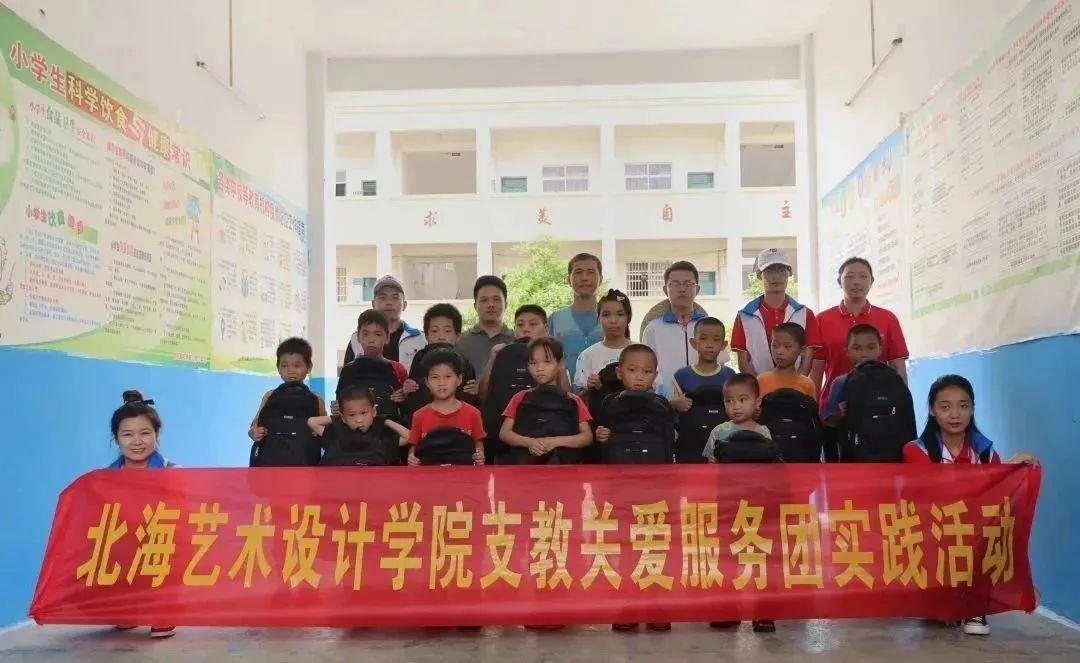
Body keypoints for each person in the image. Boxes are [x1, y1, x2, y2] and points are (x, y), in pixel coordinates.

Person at [903, 374, 1037, 637]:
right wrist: (994, 476)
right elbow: (937, 491)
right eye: (945, 406)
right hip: (932, 529)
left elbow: (999, 492)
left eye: (963, 406)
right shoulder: (915, 450)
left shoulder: (985, 451)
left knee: (994, 525)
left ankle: (975, 605)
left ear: (972, 409)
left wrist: (1015, 470)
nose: (955, 414)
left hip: (973, 531)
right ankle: (944, 599)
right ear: (932, 410)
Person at [107, 390, 177, 639]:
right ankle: (126, 606)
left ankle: (163, 609)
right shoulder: (105, 479)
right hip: (124, 546)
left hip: (160, 546)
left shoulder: (173, 472)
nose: (137, 441)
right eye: (128, 434)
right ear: (116, 438)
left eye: (145, 433)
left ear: (156, 435)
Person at [817, 257, 909, 415]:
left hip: (879, 405)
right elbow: (816, 371)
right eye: (850, 276)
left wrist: (902, 405)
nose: (856, 282)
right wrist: (813, 408)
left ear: (871, 281)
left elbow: (898, 367)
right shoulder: (822, 320)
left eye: (863, 276)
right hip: (835, 407)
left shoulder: (888, 318)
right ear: (839, 281)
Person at [731, 248, 822, 381]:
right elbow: (743, 362)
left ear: (789, 273)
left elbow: (808, 357)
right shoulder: (745, 316)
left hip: (795, 388)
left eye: (781, 270)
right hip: (758, 388)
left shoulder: (804, 313)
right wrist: (760, 386)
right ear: (759, 275)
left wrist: (796, 384)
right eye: (769, 271)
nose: (776, 277)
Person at [499, 337, 593, 461]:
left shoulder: (573, 400)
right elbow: (504, 433)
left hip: (562, 465)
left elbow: (587, 437)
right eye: (533, 363)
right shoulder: (520, 397)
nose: (539, 368)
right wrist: (529, 443)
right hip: (525, 464)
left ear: (560, 364)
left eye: (547, 362)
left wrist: (554, 442)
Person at [407, 350, 485, 466]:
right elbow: (414, 449)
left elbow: (478, 444)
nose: (441, 383)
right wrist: (412, 459)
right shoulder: (419, 415)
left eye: (448, 376)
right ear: (427, 382)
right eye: (435, 377)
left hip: (464, 474)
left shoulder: (473, 413)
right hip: (430, 474)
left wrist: (479, 456)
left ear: (459, 379)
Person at [248, 337, 327, 450]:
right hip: (271, 455)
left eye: (297, 366)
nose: (290, 371)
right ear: (278, 367)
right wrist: (253, 432)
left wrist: (320, 433)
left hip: (304, 457)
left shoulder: (316, 399)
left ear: (309, 367)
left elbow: (326, 431)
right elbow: (255, 424)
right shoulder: (270, 395)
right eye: (284, 366)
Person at [642, 261, 708, 385]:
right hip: (664, 395)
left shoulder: (708, 326)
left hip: (704, 394)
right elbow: (645, 368)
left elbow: (719, 365)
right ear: (665, 290)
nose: (682, 289)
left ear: (697, 289)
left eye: (688, 284)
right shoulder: (653, 329)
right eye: (675, 284)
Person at [308, 387, 410, 466]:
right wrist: (338, 419)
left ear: (373, 411)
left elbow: (409, 437)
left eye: (364, 413)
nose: (359, 420)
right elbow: (312, 422)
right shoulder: (335, 433)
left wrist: (385, 421)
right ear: (343, 417)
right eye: (351, 415)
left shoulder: (382, 434)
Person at [342, 275, 425, 371]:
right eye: (382, 297)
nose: (389, 302)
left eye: (395, 297)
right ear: (373, 304)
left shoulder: (419, 339)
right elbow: (347, 374)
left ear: (404, 305)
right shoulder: (356, 339)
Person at [548, 253, 604, 379]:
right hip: (563, 390)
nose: (584, 278)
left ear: (600, 278)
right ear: (568, 280)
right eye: (578, 272)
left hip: (605, 389)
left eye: (590, 272)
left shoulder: (611, 318)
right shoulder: (555, 319)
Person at [669, 317, 736, 413]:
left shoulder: (730, 375)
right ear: (694, 343)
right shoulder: (681, 376)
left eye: (716, 339)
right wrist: (675, 404)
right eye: (703, 338)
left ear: (723, 345)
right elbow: (668, 408)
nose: (709, 345)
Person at [821, 324, 884, 425]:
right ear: (847, 352)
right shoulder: (841, 382)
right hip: (852, 433)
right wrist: (841, 414)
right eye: (857, 349)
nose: (864, 354)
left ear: (880, 349)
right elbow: (830, 420)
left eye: (871, 348)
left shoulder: (893, 380)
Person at [702, 374, 773, 462]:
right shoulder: (718, 431)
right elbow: (710, 459)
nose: (736, 406)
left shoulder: (763, 431)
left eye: (742, 400)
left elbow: (768, 459)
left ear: (757, 402)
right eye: (729, 401)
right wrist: (712, 460)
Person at [574, 289, 632, 392]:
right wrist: (592, 387)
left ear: (628, 317)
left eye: (620, 314)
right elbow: (581, 397)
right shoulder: (587, 356)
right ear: (598, 319)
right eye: (606, 315)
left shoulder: (642, 352)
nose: (613, 320)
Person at [456, 275, 514, 377]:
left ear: (506, 304)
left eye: (496, 300)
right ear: (475, 306)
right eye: (484, 300)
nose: (491, 304)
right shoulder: (460, 342)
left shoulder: (516, 340)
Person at [757, 322, 816, 398]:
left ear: (802, 350)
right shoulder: (761, 380)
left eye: (787, 347)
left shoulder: (807, 384)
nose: (779, 352)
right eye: (775, 345)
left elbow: (811, 406)